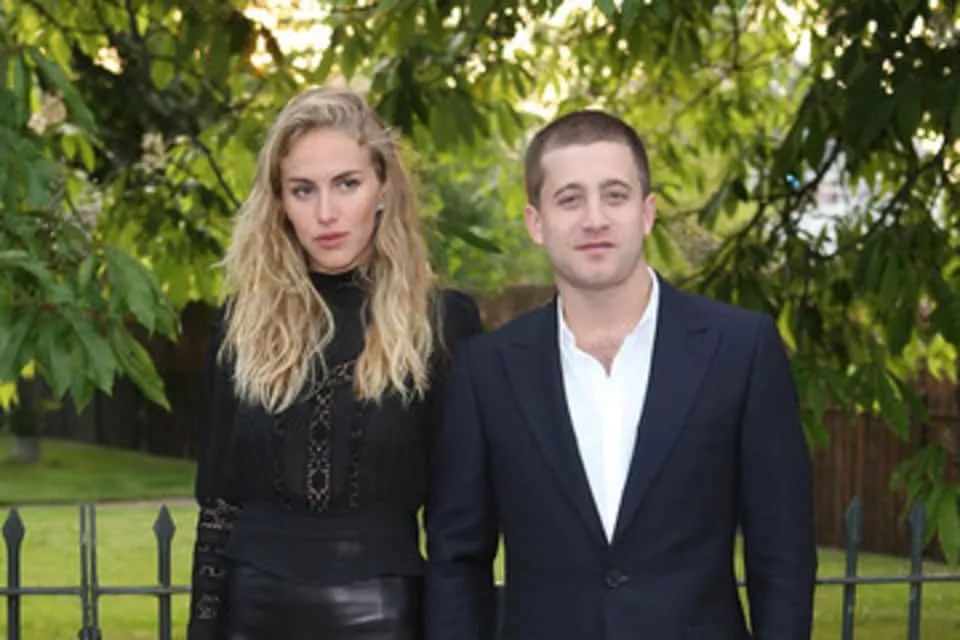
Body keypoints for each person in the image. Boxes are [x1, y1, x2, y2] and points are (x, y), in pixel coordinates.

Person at [425, 109, 817, 640]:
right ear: (536, 223)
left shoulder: (740, 350)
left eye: (614, 195)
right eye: (570, 199)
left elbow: (783, 553)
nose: (595, 219)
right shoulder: (486, 370)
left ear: (646, 213)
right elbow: (456, 560)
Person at [186, 86, 483, 640]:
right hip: (252, 614)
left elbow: (459, 520)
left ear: (383, 188)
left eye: (347, 184)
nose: (326, 213)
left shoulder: (441, 322)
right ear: (279, 202)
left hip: (387, 614)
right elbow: (219, 505)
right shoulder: (241, 324)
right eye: (303, 190)